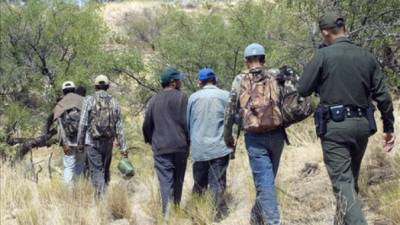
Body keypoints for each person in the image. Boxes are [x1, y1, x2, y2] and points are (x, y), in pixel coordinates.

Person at [298, 13, 395, 225]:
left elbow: (303, 89)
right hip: (362, 127)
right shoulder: (366, 56)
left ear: (325, 32)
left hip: (335, 129)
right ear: (344, 28)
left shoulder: (322, 56)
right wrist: (389, 127)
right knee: (349, 185)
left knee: (343, 184)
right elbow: (384, 97)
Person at [224, 43, 285, 225]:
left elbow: (229, 110)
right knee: (267, 180)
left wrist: (228, 136)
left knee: (265, 183)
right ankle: (256, 219)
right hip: (277, 134)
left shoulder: (238, 79)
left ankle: (273, 222)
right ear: (264, 59)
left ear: (245, 61)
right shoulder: (275, 75)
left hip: (254, 138)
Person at [142, 67, 189, 216]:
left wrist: (151, 140)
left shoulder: (154, 99)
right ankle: (175, 211)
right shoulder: (182, 97)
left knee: (165, 183)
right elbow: (187, 123)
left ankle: (167, 216)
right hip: (180, 147)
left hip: (161, 148)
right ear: (173, 82)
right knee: (178, 181)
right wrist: (188, 141)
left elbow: (146, 125)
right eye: (179, 80)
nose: (181, 82)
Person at [187, 68, 232, 220]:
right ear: (215, 79)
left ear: (200, 81)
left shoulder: (193, 98)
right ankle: (213, 216)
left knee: (199, 183)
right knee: (217, 184)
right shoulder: (225, 95)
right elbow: (232, 120)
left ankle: (197, 214)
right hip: (219, 147)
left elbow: (188, 123)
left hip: (199, 148)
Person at [77, 75, 128, 195]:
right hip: (108, 142)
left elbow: (83, 124)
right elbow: (119, 127)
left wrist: (80, 143)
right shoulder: (114, 102)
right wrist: (123, 147)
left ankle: (102, 199)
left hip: (92, 142)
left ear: (95, 86)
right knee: (104, 170)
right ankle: (102, 198)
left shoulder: (89, 100)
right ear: (108, 86)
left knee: (96, 171)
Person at [53, 81, 86, 183]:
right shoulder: (83, 101)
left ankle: (67, 191)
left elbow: (59, 124)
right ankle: (77, 188)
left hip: (68, 141)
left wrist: (64, 143)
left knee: (68, 166)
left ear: (63, 91)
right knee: (80, 164)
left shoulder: (61, 104)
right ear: (74, 89)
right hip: (82, 140)